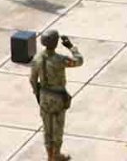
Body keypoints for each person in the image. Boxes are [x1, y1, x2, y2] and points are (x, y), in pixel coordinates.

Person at [30, 29, 83, 161]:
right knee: (57, 127)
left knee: (47, 128)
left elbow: (32, 79)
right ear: (55, 43)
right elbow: (79, 61)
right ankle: (57, 155)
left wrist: (38, 95)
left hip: (44, 97)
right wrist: (71, 47)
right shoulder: (60, 60)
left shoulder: (37, 59)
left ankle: (50, 156)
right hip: (58, 98)